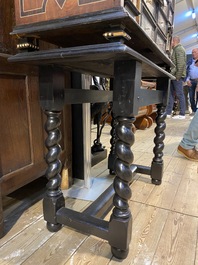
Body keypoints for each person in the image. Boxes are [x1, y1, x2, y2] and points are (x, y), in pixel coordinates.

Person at [166, 36, 186, 119]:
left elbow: (181, 64)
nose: (170, 44)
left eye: (170, 42)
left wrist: (177, 76)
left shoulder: (179, 49)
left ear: (173, 41)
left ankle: (182, 114)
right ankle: (168, 112)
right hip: (173, 76)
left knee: (179, 94)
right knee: (170, 94)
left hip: (177, 76)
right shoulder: (175, 50)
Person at [185, 48, 198, 116]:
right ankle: (194, 110)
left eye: (195, 52)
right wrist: (187, 80)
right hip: (191, 81)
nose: (193, 53)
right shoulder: (190, 61)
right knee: (191, 97)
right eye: (192, 52)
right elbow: (187, 72)